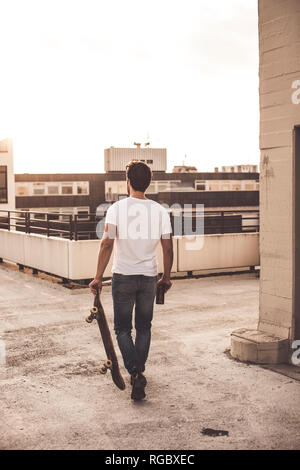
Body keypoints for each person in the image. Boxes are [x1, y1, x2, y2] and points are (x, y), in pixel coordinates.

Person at [89, 161, 173, 401]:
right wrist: (166, 277)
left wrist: (97, 277)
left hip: (123, 276)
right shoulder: (159, 210)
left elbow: (106, 243)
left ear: (128, 181)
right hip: (149, 278)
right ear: (148, 182)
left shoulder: (117, 208)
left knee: (122, 329)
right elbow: (168, 249)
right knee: (144, 327)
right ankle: (138, 371)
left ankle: (135, 372)